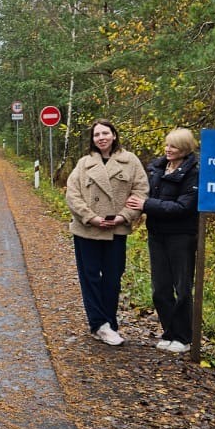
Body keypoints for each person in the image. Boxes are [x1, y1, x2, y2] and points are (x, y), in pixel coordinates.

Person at [66, 119, 149, 346]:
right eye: (96, 135)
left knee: (112, 277)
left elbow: (141, 191)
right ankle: (99, 325)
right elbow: (72, 194)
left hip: (117, 229)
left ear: (114, 135)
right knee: (90, 276)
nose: (101, 137)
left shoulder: (130, 161)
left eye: (105, 133)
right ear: (92, 140)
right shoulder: (84, 163)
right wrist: (90, 217)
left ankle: (109, 323)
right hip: (87, 230)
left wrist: (124, 216)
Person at [126, 128, 199, 354]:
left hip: (181, 236)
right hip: (157, 234)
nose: (168, 149)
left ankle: (184, 337)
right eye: (167, 145)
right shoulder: (158, 168)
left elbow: (184, 206)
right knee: (160, 289)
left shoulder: (194, 173)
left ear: (185, 149)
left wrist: (146, 206)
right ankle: (169, 332)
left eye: (174, 146)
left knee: (182, 288)